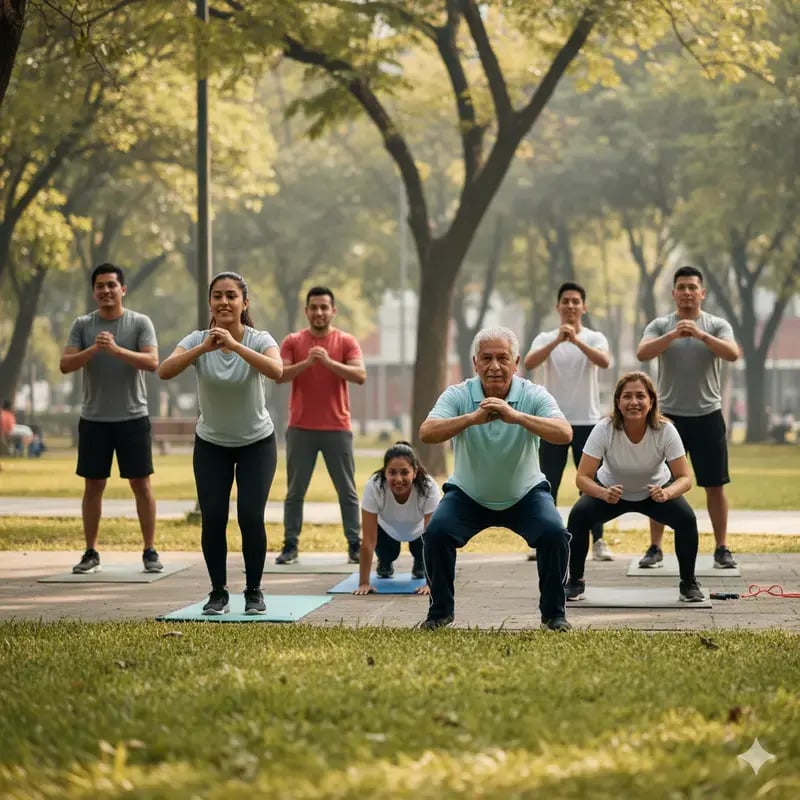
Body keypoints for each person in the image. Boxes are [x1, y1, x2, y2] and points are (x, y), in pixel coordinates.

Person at [419, 326, 573, 631]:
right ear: (475, 363)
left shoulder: (532, 394)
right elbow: (427, 432)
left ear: (516, 363)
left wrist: (515, 416)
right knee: (436, 534)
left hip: (525, 493)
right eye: (486, 358)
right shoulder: (459, 394)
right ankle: (440, 613)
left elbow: (564, 433)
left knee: (554, 533)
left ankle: (554, 615)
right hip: (468, 494)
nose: (494, 366)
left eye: (503, 358)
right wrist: (472, 418)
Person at [158, 272, 283, 615]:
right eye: (217, 296)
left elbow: (277, 370)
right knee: (213, 517)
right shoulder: (197, 340)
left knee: (250, 517)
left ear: (245, 303)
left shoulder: (259, 338)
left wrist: (235, 346)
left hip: (257, 442)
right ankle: (218, 593)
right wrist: (204, 348)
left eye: (231, 296)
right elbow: (164, 371)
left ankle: (254, 591)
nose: (224, 302)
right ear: (210, 302)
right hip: (211, 443)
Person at [565, 371, 703, 603]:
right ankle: (575, 582)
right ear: (618, 402)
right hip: (611, 492)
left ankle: (688, 584)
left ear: (651, 401)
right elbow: (582, 478)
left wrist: (667, 493)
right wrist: (602, 493)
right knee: (579, 516)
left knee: (687, 520)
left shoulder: (665, 430)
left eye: (640, 396)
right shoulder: (604, 428)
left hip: (655, 493)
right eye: (627, 396)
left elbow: (684, 478)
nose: (634, 402)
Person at [59, 263, 161, 574]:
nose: (106, 291)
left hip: (133, 417)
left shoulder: (139, 322)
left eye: (111, 285)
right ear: (94, 292)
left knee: (141, 484)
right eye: (100, 286)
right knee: (93, 486)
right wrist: (94, 349)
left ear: (123, 289)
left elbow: (153, 362)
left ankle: (149, 550)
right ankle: (91, 552)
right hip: (94, 419)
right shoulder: (82, 325)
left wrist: (116, 350)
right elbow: (65, 364)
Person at [636, 266, 740, 569]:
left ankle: (721, 548)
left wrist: (700, 335)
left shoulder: (716, 325)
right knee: (660, 482)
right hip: (668, 418)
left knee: (714, 484)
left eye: (692, 287)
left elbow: (732, 353)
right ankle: (655, 547)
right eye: (681, 287)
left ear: (702, 293)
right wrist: (673, 334)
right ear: (673, 293)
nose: (686, 292)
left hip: (708, 415)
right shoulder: (660, 325)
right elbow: (643, 353)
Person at [275, 286, 366, 565]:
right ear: (306, 311)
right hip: (300, 427)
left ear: (333, 310)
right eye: (314, 307)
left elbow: (360, 375)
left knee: (347, 490)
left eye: (324, 307)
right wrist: (307, 363)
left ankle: (354, 545)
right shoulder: (293, 341)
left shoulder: (346, 341)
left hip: (337, 427)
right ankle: (290, 545)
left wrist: (327, 362)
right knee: (295, 491)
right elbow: (279, 374)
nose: (319, 312)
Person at [524, 281, 613, 562]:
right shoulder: (545, 337)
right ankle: (544, 539)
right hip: (553, 421)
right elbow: (529, 362)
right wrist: (557, 341)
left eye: (576, 301)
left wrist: (576, 341)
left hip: (588, 420)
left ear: (584, 307)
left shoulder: (595, 337)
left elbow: (604, 362)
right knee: (548, 482)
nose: (571, 306)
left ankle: (598, 540)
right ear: (558, 307)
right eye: (566, 301)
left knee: (591, 482)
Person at [352, 441, 441, 596]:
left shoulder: (429, 486)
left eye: (405, 472)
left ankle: (420, 562)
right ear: (385, 472)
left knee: (424, 549)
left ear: (414, 472)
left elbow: (433, 539)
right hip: (386, 530)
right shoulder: (374, 486)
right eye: (392, 472)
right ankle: (385, 562)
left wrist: (431, 583)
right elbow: (368, 541)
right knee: (388, 553)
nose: (398, 479)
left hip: (419, 532)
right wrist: (364, 583)